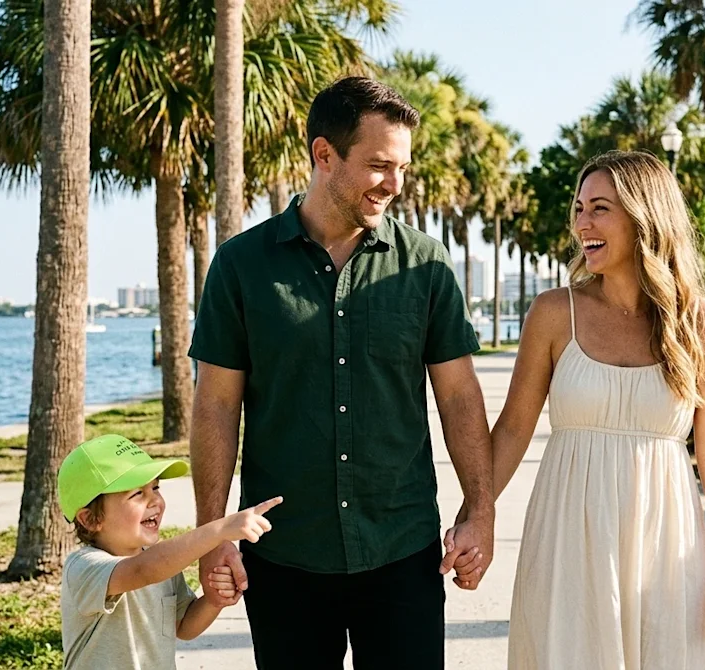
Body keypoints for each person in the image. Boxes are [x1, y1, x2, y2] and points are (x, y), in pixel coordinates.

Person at [187, 76, 495, 669]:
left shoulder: (427, 265)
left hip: (402, 549)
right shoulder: (240, 265)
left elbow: (459, 396)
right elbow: (216, 405)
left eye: (402, 168)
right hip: (283, 554)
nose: (394, 185)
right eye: (379, 166)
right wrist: (212, 534)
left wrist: (479, 512)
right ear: (324, 154)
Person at [448, 150, 705, 668]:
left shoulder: (701, 323)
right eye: (579, 208)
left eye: (599, 209)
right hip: (568, 534)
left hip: (664, 541)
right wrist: (475, 517)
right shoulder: (554, 312)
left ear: (644, 217)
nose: (582, 224)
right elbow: (514, 429)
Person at [57, 434, 282, 670]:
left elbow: (184, 626)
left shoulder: (163, 564)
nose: (154, 500)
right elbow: (142, 570)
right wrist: (220, 529)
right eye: (137, 494)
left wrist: (213, 601)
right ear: (90, 519)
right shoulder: (84, 567)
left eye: (155, 488)